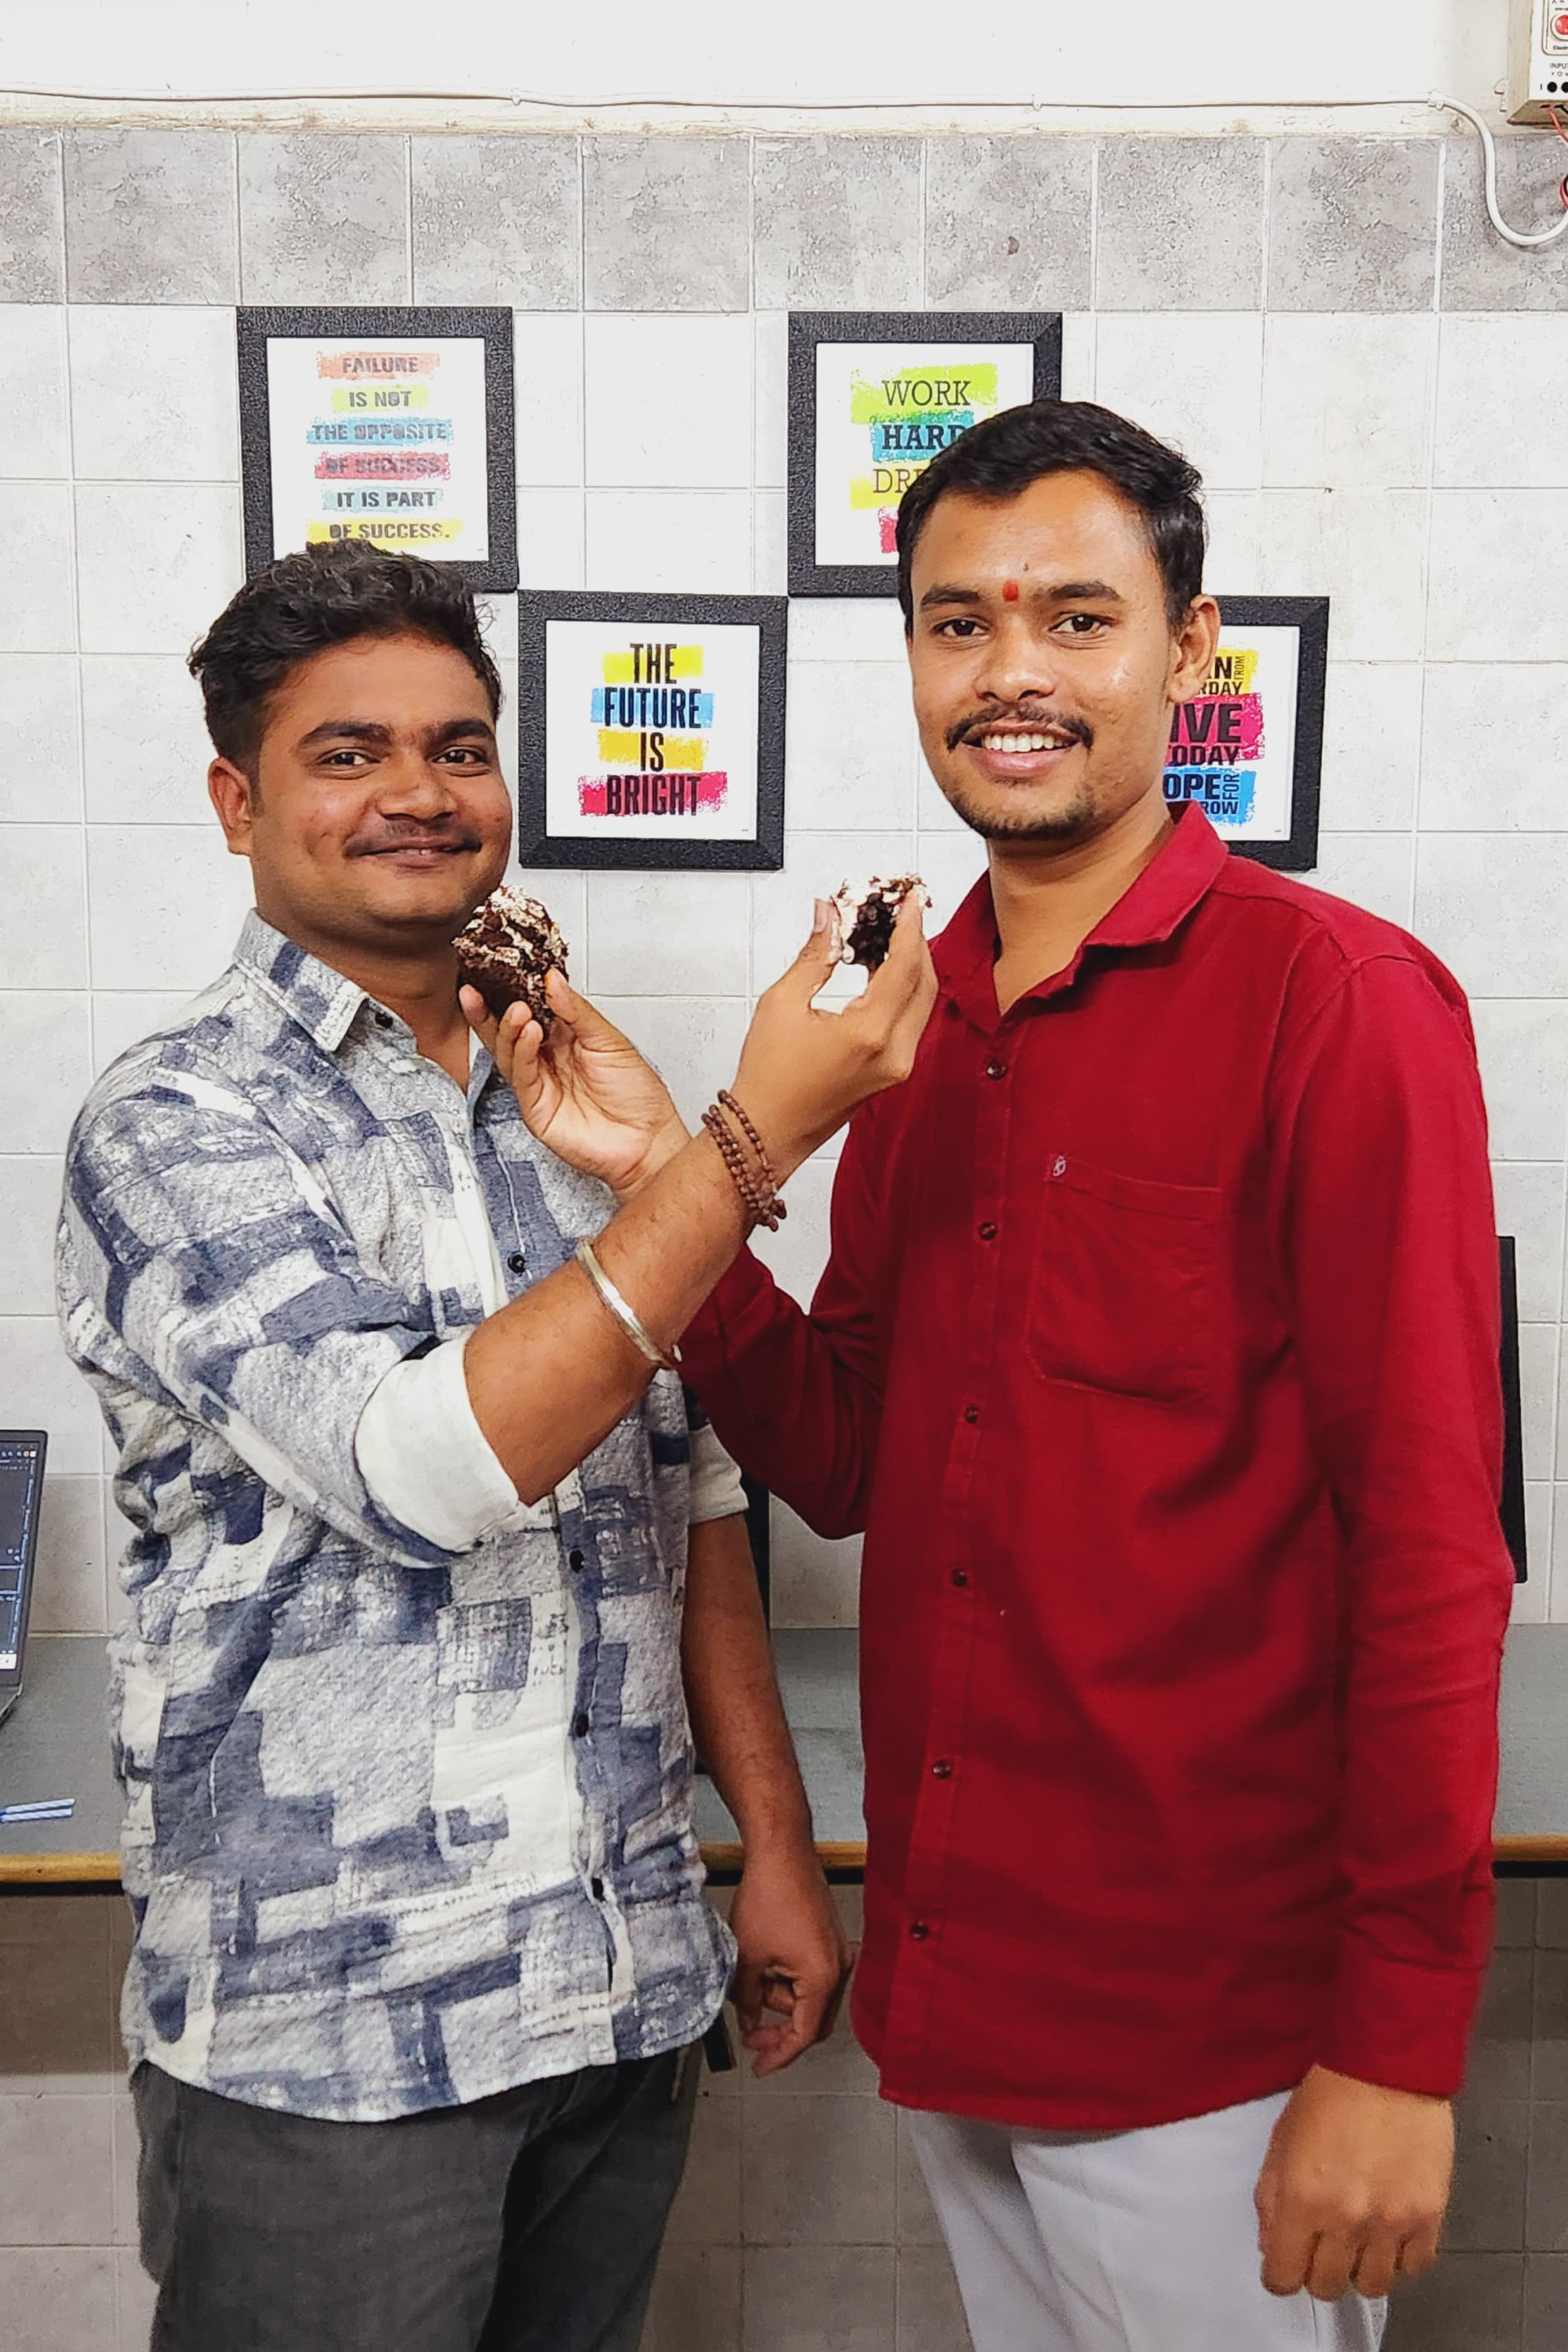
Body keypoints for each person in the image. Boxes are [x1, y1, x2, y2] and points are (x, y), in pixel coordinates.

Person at [532, 402, 1517, 2351]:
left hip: (1215, 2023)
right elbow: (834, 1455)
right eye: (956, 622)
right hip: (963, 1975)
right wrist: (679, 1175)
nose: (1011, 675)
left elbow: (1427, 1549)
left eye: (1076, 617)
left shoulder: (1336, 1003)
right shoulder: (915, 1017)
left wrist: (1394, 2048)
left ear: (1189, 649)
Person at [56, 541, 935, 2352]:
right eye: (347, 750)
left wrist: (768, 1843)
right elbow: (419, 1469)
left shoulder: (570, 1102)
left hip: (613, 1997)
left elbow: (687, 1500)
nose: (417, 793)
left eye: (459, 747)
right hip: (335, 2043)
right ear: (237, 802)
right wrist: (750, 1142)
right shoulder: (175, 1119)